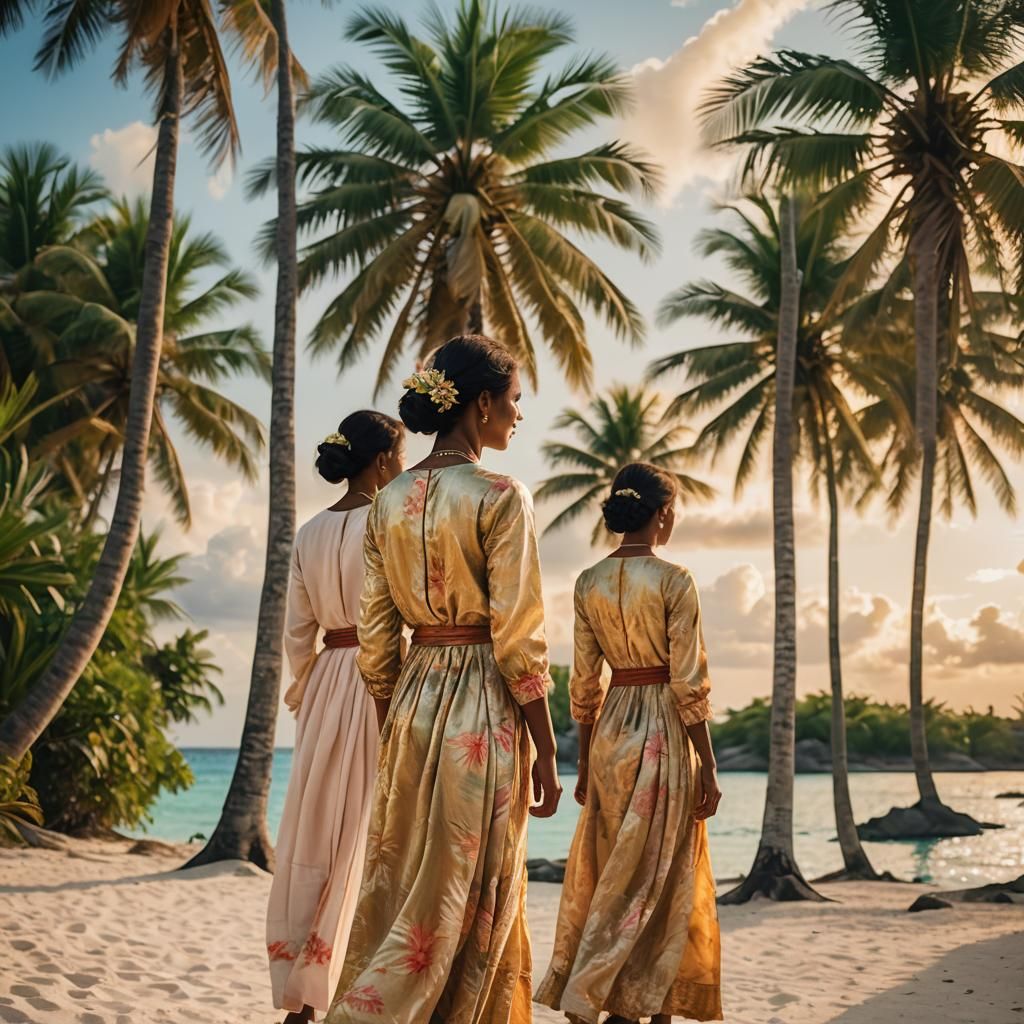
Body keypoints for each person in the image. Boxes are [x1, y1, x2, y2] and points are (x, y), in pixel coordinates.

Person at [326, 335, 562, 1024]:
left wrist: (390, 728)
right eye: (515, 400)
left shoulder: (388, 500)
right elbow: (519, 636)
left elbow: (377, 637)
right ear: (482, 402)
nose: (518, 415)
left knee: (404, 885)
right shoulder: (500, 494)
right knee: (475, 885)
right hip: (481, 705)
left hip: (411, 703)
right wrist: (546, 747)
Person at [534, 462, 723, 1024]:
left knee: (613, 875)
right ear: (663, 513)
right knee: (659, 877)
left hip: (612, 730)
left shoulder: (587, 581)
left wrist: (585, 760)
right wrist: (708, 765)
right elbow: (689, 682)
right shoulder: (674, 580)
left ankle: (604, 994)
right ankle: (638, 1005)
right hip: (662, 731)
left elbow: (584, 682)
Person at [267, 411, 406, 1024]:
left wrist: (306, 685)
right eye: (399, 458)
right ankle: (341, 977)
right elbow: (399, 612)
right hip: (377, 678)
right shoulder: (389, 522)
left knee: (317, 828)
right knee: (366, 829)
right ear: (382, 463)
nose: (403, 469)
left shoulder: (309, 532)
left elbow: (298, 632)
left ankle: (304, 982)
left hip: (327, 676)